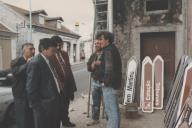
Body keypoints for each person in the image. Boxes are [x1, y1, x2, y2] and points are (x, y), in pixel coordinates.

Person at [26, 38, 61, 128]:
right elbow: (31, 89)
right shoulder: (35, 63)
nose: (54, 53)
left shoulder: (48, 60)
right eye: (52, 51)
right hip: (44, 108)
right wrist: (38, 109)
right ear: (43, 49)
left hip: (53, 104)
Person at [96, 31, 122, 128]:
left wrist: (104, 83)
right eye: (99, 39)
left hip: (109, 86)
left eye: (101, 39)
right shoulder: (113, 49)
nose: (99, 42)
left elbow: (109, 70)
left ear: (107, 40)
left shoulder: (108, 51)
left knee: (111, 112)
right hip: (114, 84)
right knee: (115, 110)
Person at [50, 35, 77, 127]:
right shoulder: (50, 56)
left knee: (66, 105)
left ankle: (66, 121)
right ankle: (57, 124)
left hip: (67, 84)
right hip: (57, 86)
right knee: (58, 107)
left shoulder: (65, 54)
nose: (58, 47)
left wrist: (72, 86)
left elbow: (69, 70)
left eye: (60, 45)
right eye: (56, 45)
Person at [11, 43, 35, 128]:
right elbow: (16, 72)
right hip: (21, 96)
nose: (33, 51)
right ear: (24, 50)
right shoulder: (16, 61)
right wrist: (27, 64)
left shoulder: (34, 61)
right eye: (30, 49)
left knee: (31, 119)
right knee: (22, 119)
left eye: (33, 49)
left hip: (30, 95)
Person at [86, 40, 103, 126]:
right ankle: (95, 119)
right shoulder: (93, 55)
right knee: (96, 103)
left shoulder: (105, 54)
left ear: (102, 44)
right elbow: (88, 67)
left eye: (98, 43)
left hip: (105, 83)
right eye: (95, 44)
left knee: (107, 103)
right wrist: (92, 66)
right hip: (95, 82)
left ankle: (110, 120)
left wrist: (101, 63)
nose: (96, 45)